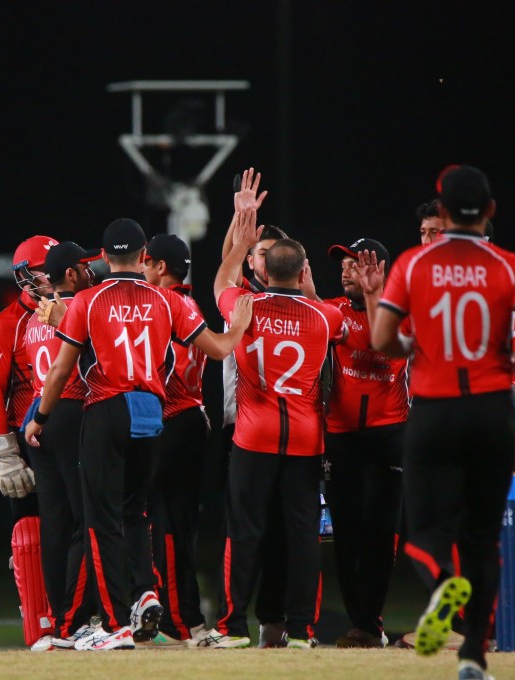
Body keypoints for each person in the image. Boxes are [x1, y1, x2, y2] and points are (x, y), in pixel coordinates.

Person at [24, 218, 254, 651]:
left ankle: (115, 624)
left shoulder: (88, 300)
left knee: (101, 518)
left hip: (106, 407)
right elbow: (220, 348)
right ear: (143, 254)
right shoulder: (168, 300)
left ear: (104, 257)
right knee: (135, 511)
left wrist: (40, 416)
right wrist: (239, 325)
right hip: (151, 413)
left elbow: (60, 369)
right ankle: (145, 591)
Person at [371, 165, 515, 680]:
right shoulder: (513, 266)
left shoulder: (413, 264)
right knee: (482, 536)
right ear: (490, 211)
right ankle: (474, 655)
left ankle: (440, 581)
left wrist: (418, 345)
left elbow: (383, 339)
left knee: (424, 528)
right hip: (492, 411)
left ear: (444, 211)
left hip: (435, 410)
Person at [200, 209, 346, 649]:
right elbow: (332, 317)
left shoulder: (244, 305)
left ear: (263, 270)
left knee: (244, 533)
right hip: (305, 439)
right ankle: (301, 630)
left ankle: (232, 628)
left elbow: (221, 283)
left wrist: (241, 246)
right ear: (302, 272)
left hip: (253, 435)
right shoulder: (324, 317)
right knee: (303, 537)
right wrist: (310, 287)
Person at [218, 168, 301, 648]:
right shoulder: (247, 298)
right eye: (258, 253)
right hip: (242, 428)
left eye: (271, 254)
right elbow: (227, 266)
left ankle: (273, 620)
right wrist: (240, 221)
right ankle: (241, 622)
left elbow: (223, 273)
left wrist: (243, 227)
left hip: (273, 429)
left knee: (280, 533)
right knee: (248, 530)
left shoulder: (290, 304)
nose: (263, 260)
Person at [322, 238, 408, 648]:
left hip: (390, 434)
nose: (346, 271)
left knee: (380, 532)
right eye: (343, 265)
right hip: (341, 435)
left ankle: (369, 623)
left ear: (380, 269)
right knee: (345, 534)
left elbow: (382, 343)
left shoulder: (403, 311)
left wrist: (375, 296)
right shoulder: (335, 309)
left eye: (355, 264)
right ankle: (362, 625)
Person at [22, 240, 102, 650]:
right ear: (70, 273)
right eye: (84, 267)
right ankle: (76, 621)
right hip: (71, 411)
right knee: (87, 520)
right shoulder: (82, 308)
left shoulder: (32, 319)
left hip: (40, 418)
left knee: (55, 524)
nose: (90, 272)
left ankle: (56, 621)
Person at [0, 234, 58, 650]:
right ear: (24, 277)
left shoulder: (74, 309)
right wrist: (4, 454)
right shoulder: (5, 326)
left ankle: (77, 618)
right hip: (29, 442)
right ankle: (39, 620)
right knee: (29, 536)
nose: (52, 276)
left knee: (78, 528)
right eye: (44, 270)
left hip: (69, 435)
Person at [141, 233, 210, 646]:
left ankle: (175, 622)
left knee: (163, 523)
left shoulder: (163, 303)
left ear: (161, 267)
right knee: (181, 527)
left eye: (146, 262)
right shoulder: (189, 302)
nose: (142, 269)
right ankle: (190, 618)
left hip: (172, 419)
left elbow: (162, 369)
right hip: (192, 418)